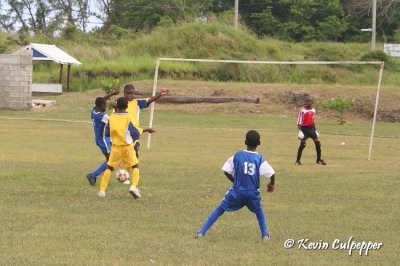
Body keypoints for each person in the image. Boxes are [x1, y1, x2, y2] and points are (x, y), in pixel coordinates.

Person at [195, 130, 276, 240]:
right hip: (252, 193)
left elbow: (226, 171)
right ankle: (265, 235)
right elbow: (271, 173)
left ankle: (201, 232)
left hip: (237, 191)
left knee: (220, 209)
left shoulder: (237, 155)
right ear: (259, 143)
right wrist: (271, 184)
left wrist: (235, 181)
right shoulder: (260, 158)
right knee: (259, 211)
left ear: (245, 142)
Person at [96, 97, 142, 199]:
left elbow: (107, 133)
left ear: (117, 106)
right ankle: (133, 187)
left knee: (109, 168)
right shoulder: (129, 117)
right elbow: (135, 132)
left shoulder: (111, 118)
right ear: (126, 106)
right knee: (135, 166)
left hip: (115, 148)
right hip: (127, 147)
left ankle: (102, 191)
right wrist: (135, 139)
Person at [121, 84, 169, 158]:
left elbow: (150, 100)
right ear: (124, 93)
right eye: (128, 94)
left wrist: (159, 94)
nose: (130, 95)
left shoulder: (137, 102)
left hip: (133, 130)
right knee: (126, 156)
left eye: (132, 94)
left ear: (134, 94)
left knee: (129, 157)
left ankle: (134, 149)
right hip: (123, 130)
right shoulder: (119, 103)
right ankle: (133, 149)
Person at [86, 89, 120, 186]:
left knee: (111, 160)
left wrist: (112, 94)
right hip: (103, 141)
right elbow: (114, 121)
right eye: (104, 105)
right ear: (100, 106)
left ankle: (94, 175)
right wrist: (116, 109)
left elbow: (102, 99)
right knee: (111, 161)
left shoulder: (94, 111)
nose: (106, 106)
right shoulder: (102, 116)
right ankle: (92, 175)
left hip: (102, 139)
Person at [295, 96, 326, 165]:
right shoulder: (302, 110)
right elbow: (299, 121)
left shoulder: (313, 110)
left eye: (309, 101)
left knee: (318, 143)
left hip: (311, 128)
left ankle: (318, 160)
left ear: (312, 102)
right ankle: (297, 160)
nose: (307, 102)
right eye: (306, 101)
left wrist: (315, 130)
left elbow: (313, 120)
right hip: (304, 129)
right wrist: (299, 131)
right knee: (303, 145)